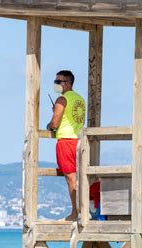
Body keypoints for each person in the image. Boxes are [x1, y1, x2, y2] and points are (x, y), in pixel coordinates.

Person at [47, 70, 86, 221]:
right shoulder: (79, 99)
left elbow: (54, 123)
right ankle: (82, 210)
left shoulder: (62, 100)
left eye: (59, 82)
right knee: (80, 176)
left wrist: (50, 124)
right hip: (79, 141)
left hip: (66, 141)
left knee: (70, 177)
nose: (56, 84)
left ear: (68, 83)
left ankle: (76, 213)